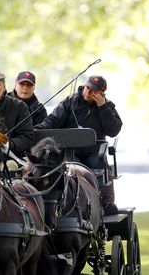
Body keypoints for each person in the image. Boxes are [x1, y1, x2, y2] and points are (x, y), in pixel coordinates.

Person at [35, 75, 122, 215]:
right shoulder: (70, 102)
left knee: (101, 165)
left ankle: (106, 204)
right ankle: (69, 202)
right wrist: (38, 130)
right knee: (72, 167)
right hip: (71, 151)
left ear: (101, 93)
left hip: (94, 152)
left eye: (93, 90)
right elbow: (53, 120)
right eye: (87, 88)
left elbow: (113, 130)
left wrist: (103, 107)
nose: (88, 92)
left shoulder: (107, 106)